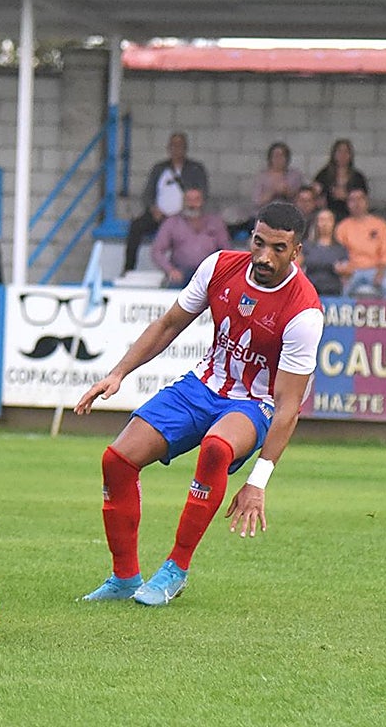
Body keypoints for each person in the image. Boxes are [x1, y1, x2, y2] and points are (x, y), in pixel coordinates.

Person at [76, 202, 323, 606]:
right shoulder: (219, 266)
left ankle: (176, 569)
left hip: (253, 402)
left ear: (296, 252)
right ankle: (123, 578)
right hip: (201, 386)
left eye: (278, 248)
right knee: (116, 460)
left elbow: (288, 404)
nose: (264, 256)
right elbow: (169, 324)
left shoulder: (303, 312)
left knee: (216, 448)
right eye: (259, 243)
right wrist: (118, 373)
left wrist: (257, 482)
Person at [124, 132, 208, 274]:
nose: (176, 149)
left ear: (185, 148)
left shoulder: (196, 169)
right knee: (136, 226)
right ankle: (128, 269)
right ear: (168, 148)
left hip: (184, 217)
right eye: (173, 145)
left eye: (180, 145)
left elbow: (202, 192)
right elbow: (147, 193)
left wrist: (184, 212)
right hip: (159, 215)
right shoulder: (159, 168)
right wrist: (153, 208)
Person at [150, 187, 230, 288]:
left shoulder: (216, 222)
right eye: (188, 200)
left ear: (203, 202)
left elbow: (227, 252)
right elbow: (157, 251)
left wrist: (219, 272)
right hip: (181, 273)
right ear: (183, 202)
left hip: (208, 273)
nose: (192, 204)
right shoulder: (172, 222)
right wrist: (170, 270)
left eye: (196, 200)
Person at [334, 188, 386, 297]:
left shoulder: (380, 224)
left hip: (374, 270)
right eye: (352, 200)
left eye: (360, 199)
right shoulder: (343, 227)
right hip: (352, 271)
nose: (357, 203)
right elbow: (339, 253)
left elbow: (385, 252)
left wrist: (380, 273)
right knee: (341, 291)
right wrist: (344, 274)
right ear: (347, 204)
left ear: (367, 201)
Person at [312, 138, 368, 222]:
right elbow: (314, 192)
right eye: (339, 152)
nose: (342, 155)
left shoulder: (358, 177)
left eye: (346, 152)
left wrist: (346, 197)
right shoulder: (324, 174)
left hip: (350, 215)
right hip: (328, 214)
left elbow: (364, 198)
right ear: (334, 154)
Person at [301, 208, 348, 296]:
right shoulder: (306, 246)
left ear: (333, 223)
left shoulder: (340, 248)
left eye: (328, 220)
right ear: (316, 223)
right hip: (310, 291)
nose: (325, 223)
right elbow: (298, 266)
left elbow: (346, 271)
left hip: (333, 291)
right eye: (322, 220)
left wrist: (342, 270)